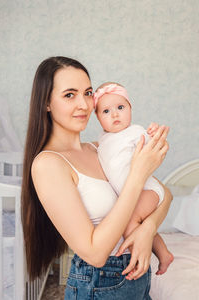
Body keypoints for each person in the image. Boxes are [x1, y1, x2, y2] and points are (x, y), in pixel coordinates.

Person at [21, 56, 172, 300]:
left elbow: (165, 195)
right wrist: (137, 174)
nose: (84, 104)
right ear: (46, 102)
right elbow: (95, 254)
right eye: (70, 95)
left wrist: (147, 231)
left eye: (88, 93)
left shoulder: (101, 149)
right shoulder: (49, 164)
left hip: (137, 282)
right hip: (99, 286)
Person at [94, 82, 174, 278]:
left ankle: (138, 260)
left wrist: (155, 135)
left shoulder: (135, 132)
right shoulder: (102, 141)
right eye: (106, 111)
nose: (115, 114)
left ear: (130, 109)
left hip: (148, 190)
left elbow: (155, 146)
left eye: (120, 108)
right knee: (140, 222)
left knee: (129, 221)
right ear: (97, 118)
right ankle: (164, 254)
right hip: (133, 193)